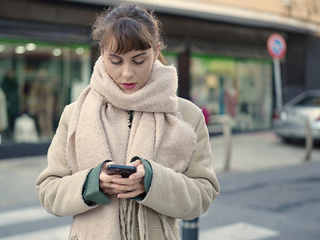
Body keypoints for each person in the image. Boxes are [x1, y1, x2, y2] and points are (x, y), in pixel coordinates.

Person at [36, 4, 220, 240]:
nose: (127, 73)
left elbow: (204, 195)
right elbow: (48, 191)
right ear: (102, 53)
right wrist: (93, 183)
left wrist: (153, 182)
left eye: (138, 60)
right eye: (116, 60)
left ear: (156, 51)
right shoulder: (75, 114)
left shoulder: (186, 115)